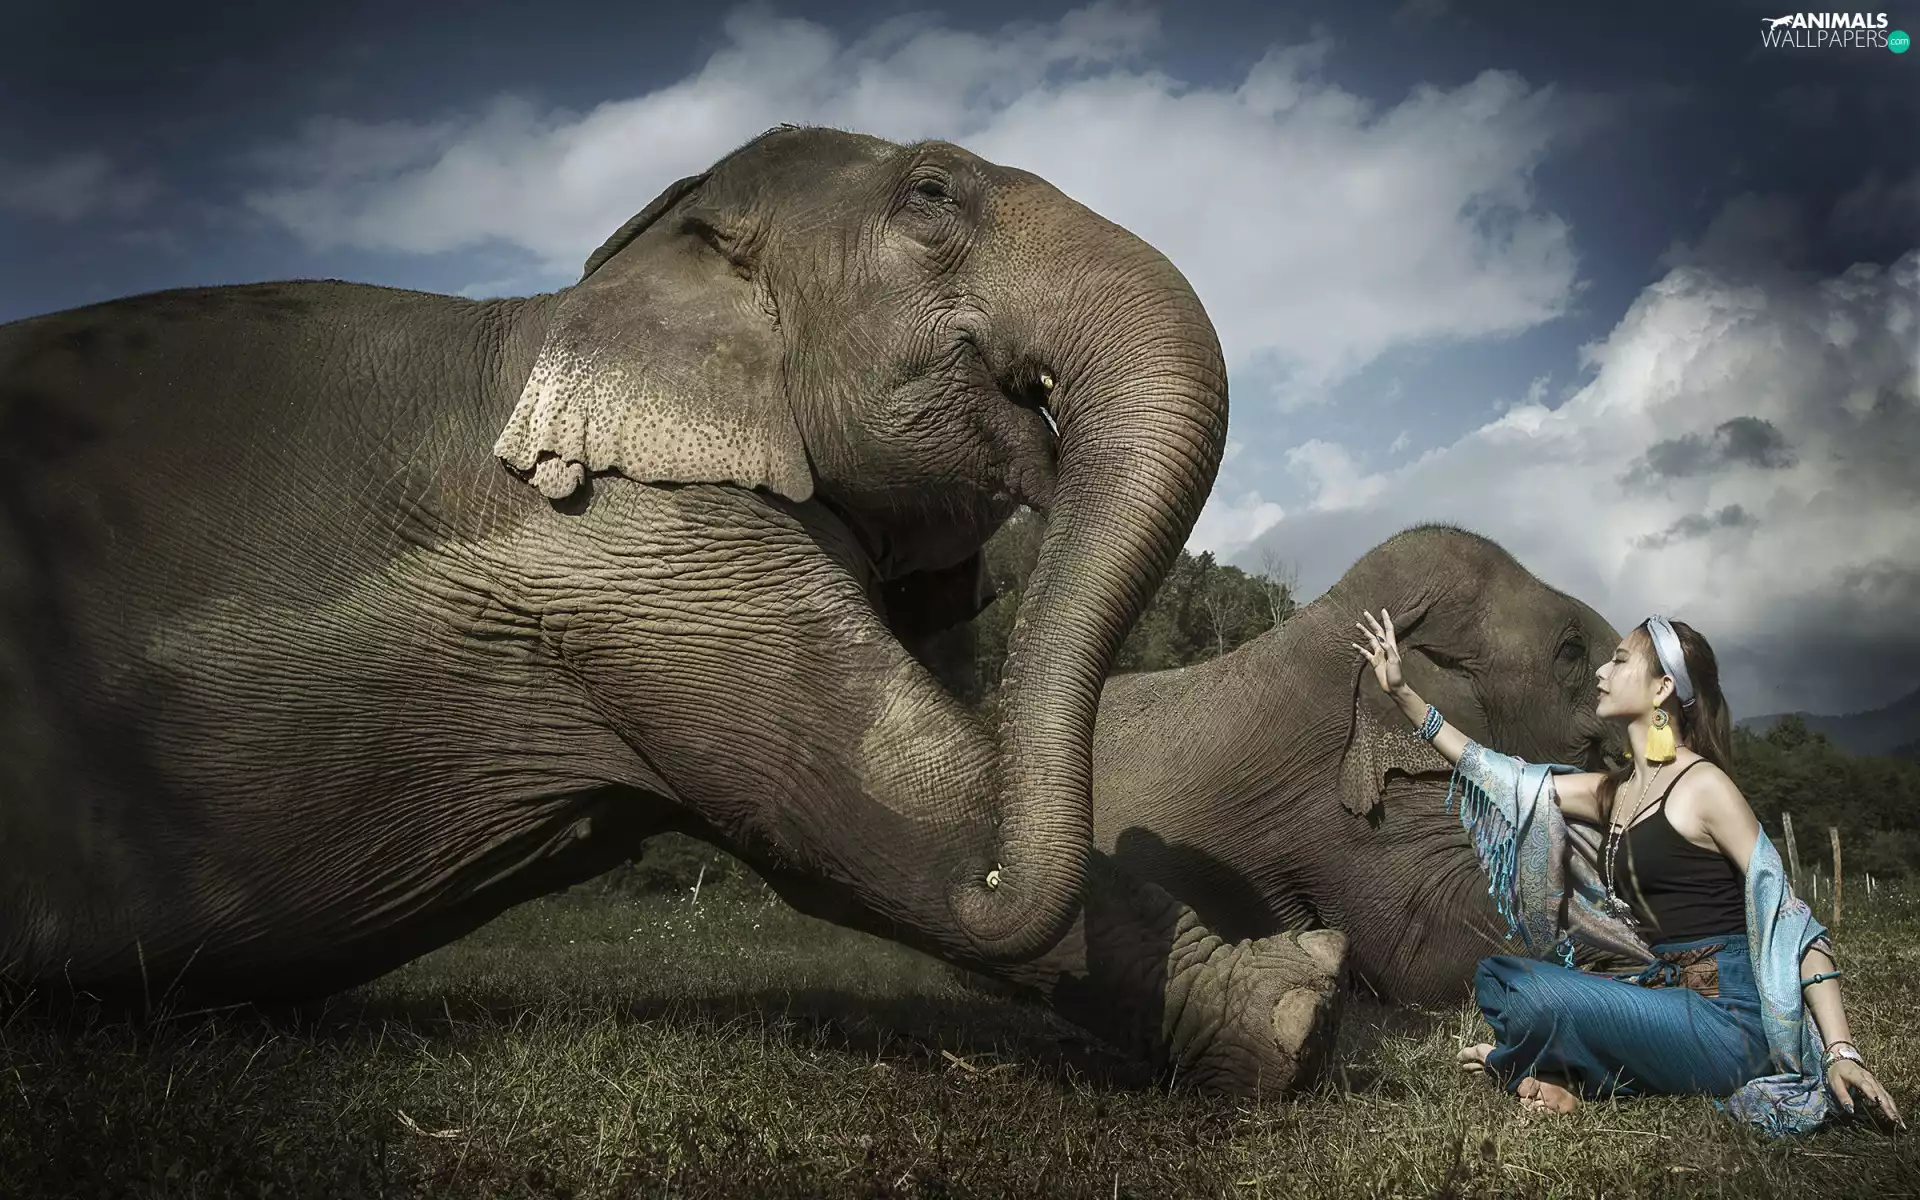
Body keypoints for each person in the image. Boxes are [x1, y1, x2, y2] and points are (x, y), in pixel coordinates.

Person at [1351, 607, 1904, 1133]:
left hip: (1730, 1020)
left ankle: (1552, 1071)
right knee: (1499, 977)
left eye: (1619, 661)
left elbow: (1791, 919)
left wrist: (1840, 1052)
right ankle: (1577, 1074)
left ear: (1662, 689)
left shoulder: (1704, 787)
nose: (1601, 670)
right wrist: (1403, 694)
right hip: (1666, 995)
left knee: (1529, 994)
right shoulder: (1614, 792)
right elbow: (1500, 777)